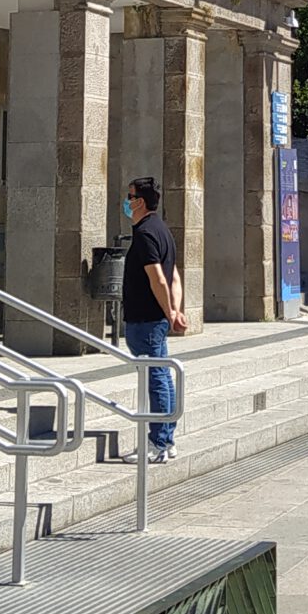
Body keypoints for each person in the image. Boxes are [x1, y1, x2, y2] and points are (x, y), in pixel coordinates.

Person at [122, 177, 188, 462]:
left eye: (129, 196)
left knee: (157, 377)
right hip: (156, 319)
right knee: (162, 376)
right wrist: (175, 310)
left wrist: (170, 311)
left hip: (146, 320)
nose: (126, 201)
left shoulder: (146, 233)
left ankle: (158, 443)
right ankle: (167, 438)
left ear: (139, 202)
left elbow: (159, 278)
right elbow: (174, 275)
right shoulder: (162, 230)